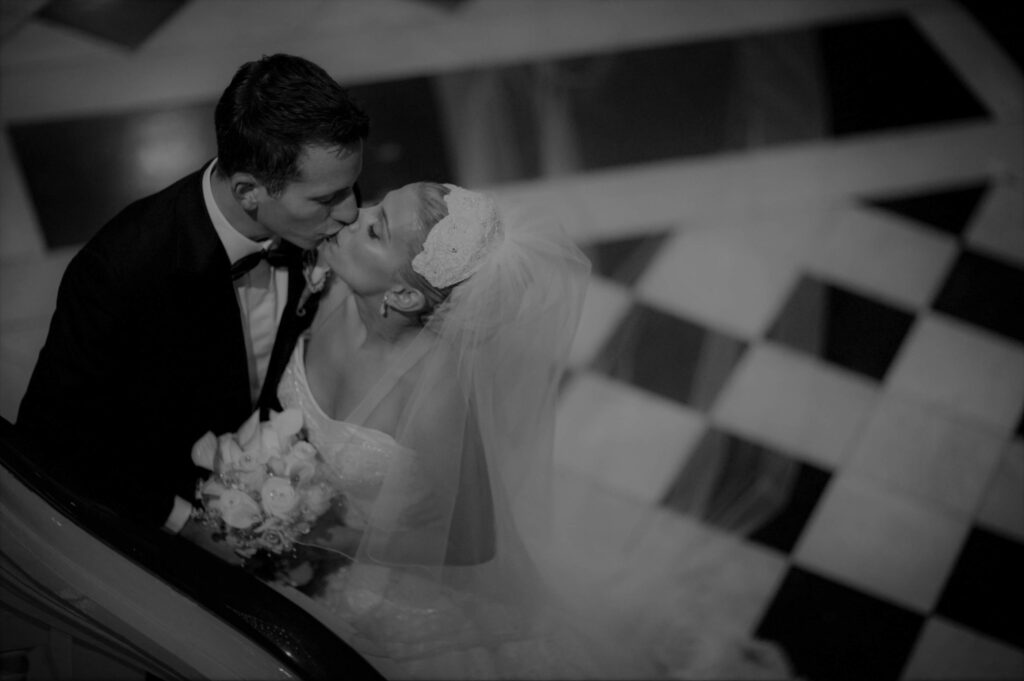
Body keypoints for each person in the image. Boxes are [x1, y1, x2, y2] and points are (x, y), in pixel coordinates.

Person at [262, 181, 792, 679]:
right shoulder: (325, 287)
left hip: (385, 582)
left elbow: (470, 541)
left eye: (375, 229)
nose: (353, 216)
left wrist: (332, 539)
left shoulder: (434, 402)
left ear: (403, 297)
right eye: (377, 205)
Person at [16, 53, 368, 558]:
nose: (353, 211)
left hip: (295, 501)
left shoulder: (322, 212)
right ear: (248, 191)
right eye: (328, 198)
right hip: (165, 535)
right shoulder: (122, 270)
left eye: (352, 186)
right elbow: (55, 438)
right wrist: (189, 525)